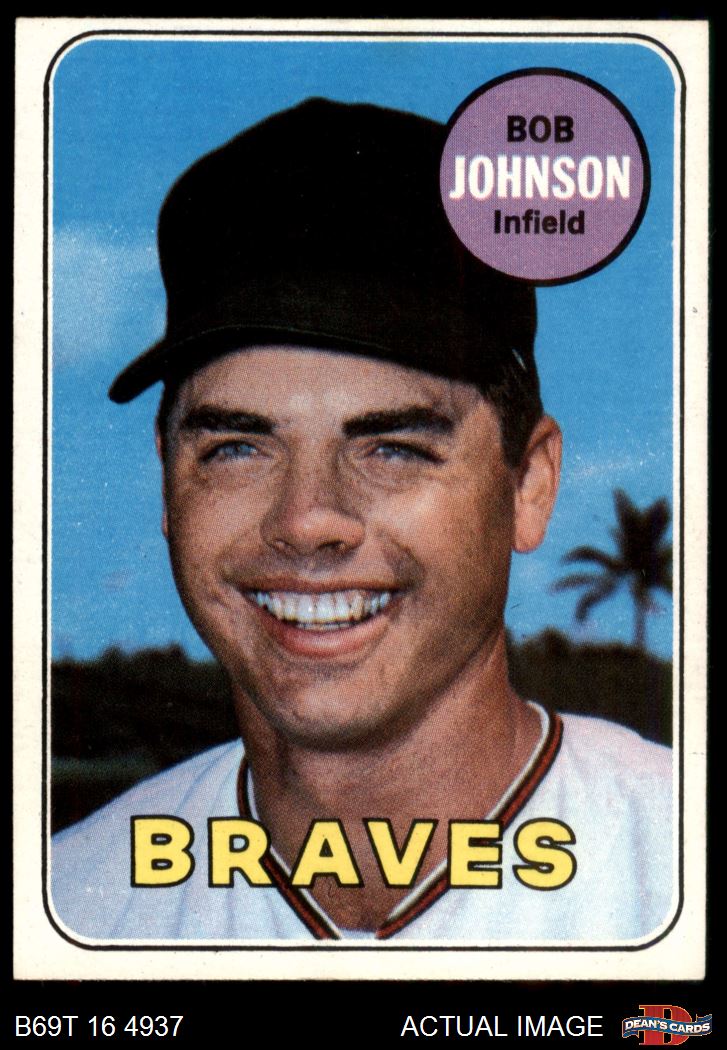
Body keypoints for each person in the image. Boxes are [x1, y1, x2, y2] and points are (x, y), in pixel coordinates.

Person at [51, 98, 673, 943]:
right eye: (238, 447)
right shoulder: (71, 903)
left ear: (528, 483)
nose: (307, 521)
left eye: (393, 448)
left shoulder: (676, 865)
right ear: (168, 482)